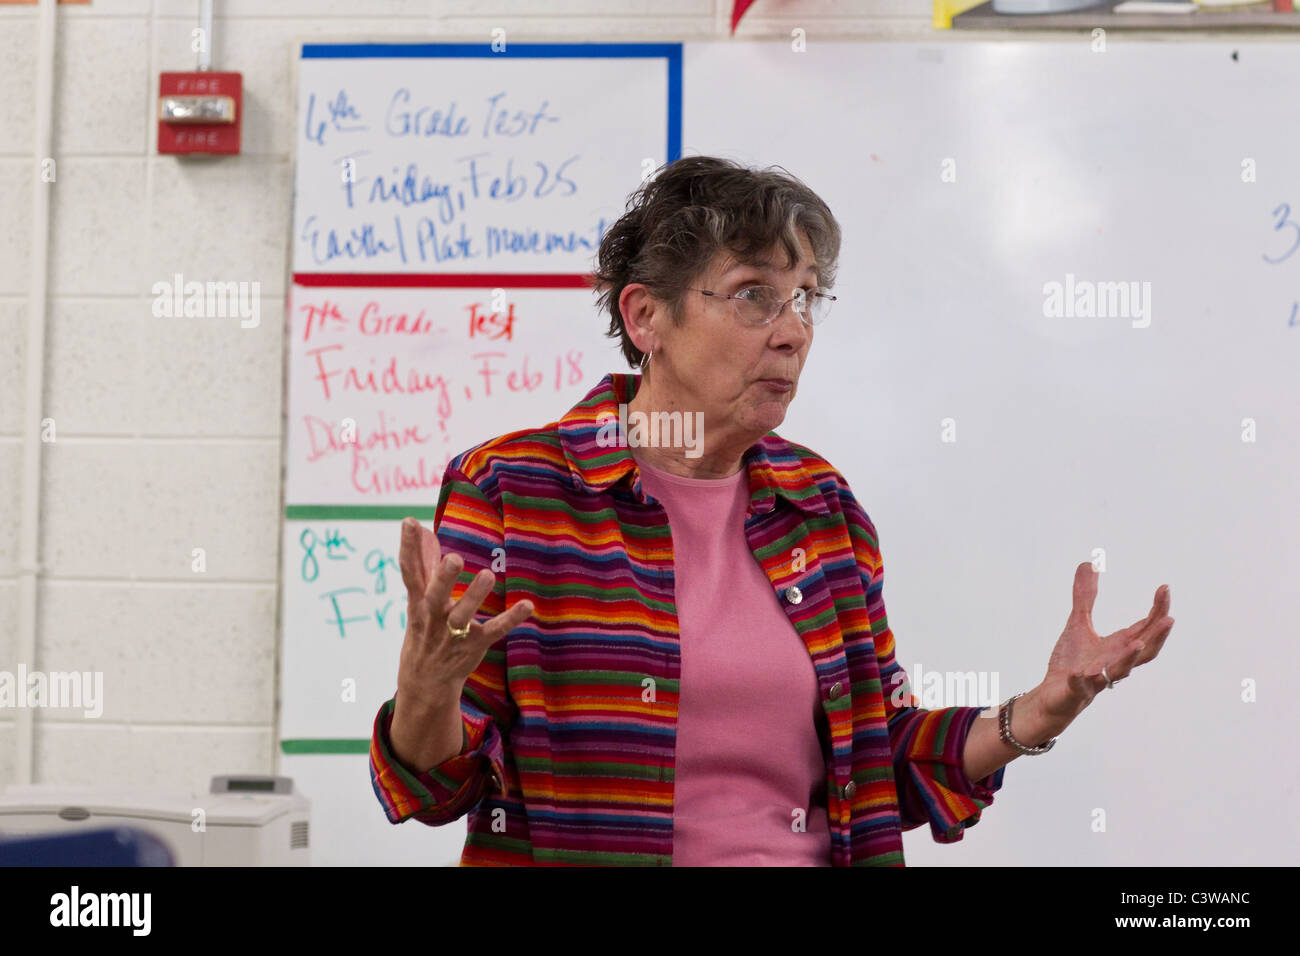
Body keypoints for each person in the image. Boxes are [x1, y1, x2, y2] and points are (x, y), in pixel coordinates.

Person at [368, 155, 1175, 866]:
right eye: (756, 295)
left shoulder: (820, 506)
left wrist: (1039, 708)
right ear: (645, 315)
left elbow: (881, 758)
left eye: (807, 299)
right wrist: (428, 693)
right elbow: (439, 788)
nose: (792, 331)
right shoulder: (516, 488)